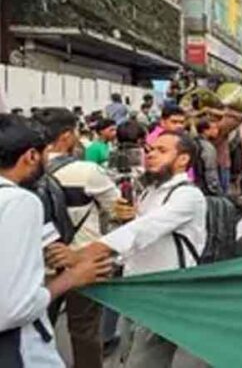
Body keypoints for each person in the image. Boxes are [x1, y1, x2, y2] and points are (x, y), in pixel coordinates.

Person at [81, 132, 207, 368]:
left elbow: (144, 229)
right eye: (150, 150)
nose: (151, 155)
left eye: (162, 150)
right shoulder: (150, 192)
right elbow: (137, 233)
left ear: (183, 159)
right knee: (127, 353)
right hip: (136, 288)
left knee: (145, 361)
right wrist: (122, 219)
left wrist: (91, 251)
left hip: (163, 295)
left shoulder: (188, 196)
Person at [0, 114, 111, 368]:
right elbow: (11, 309)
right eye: (45, 153)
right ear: (31, 156)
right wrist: (72, 278)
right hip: (17, 351)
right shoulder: (18, 201)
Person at [34, 108, 122, 368]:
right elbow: (116, 207)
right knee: (85, 330)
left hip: (42, 263)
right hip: (85, 262)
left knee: (37, 329)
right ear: (66, 135)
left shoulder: (24, 168)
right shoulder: (86, 171)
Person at [194, 118, 222, 197]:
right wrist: (215, 189)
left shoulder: (194, 142)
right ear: (205, 131)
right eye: (214, 128)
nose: (217, 131)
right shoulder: (208, 147)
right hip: (205, 186)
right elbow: (210, 169)